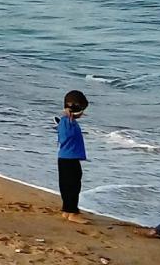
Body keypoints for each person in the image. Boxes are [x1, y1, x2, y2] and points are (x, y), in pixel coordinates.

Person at [56, 89, 90, 224]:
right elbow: (64, 138)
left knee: (68, 184)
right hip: (68, 159)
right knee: (72, 186)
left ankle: (67, 209)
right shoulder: (66, 123)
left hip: (69, 158)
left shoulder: (68, 122)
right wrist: (69, 123)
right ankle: (72, 212)